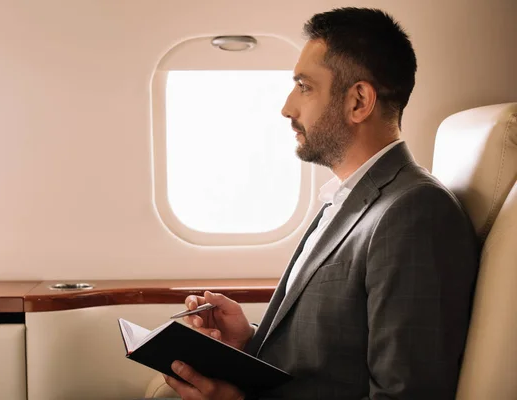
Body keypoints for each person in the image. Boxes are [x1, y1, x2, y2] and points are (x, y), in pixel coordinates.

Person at [163, 7, 479, 400]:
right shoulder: (349, 197)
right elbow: (329, 361)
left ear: (359, 101)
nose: (287, 107)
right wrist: (248, 341)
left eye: (304, 86)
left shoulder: (415, 214)